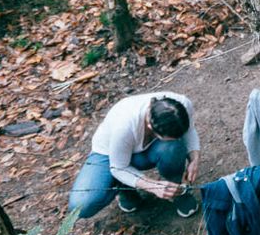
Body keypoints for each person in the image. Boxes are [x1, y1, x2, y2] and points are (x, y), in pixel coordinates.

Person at [68, 91, 200, 218]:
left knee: (173, 147)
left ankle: (177, 190)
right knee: (81, 205)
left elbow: (189, 130)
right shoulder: (124, 126)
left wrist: (194, 158)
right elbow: (118, 167)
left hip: (141, 151)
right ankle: (123, 187)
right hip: (108, 156)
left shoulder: (180, 104)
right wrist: (152, 186)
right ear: (150, 126)